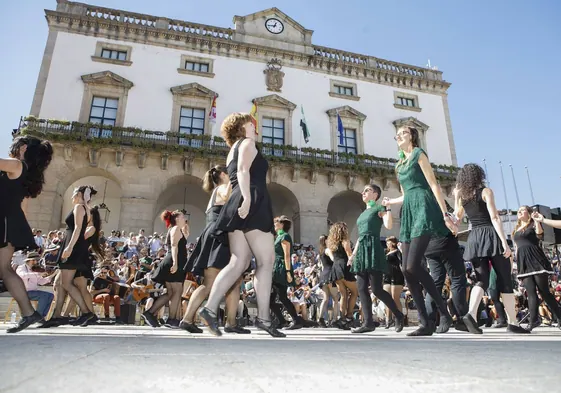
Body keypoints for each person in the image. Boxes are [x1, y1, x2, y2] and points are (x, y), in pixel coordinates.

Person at [198, 113, 284, 338]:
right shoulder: (247, 143)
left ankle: (209, 309)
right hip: (251, 197)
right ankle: (264, 318)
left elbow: (238, 172)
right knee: (266, 261)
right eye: (250, 122)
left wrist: (242, 198)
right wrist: (247, 199)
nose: (255, 125)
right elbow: (244, 171)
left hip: (236, 200)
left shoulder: (232, 149)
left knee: (239, 261)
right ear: (241, 127)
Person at [382, 125, 455, 336]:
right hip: (409, 210)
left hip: (424, 206)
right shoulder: (399, 165)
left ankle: (443, 312)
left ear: (412, 136)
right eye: (397, 133)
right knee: (406, 270)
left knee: (413, 265)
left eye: (404, 132)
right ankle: (425, 322)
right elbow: (405, 193)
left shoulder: (418, 154)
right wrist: (391, 201)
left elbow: (433, 184)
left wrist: (444, 213)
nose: (399, 135)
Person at [454, 164, 527, 334]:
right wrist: (504, 242)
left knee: (481, 279)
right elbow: (494, 217)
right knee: (505, 280)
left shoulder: (462, 197)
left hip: (474, 238)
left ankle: (471, 314)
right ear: (479, 175)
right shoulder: (486, 191)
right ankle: (513, 322)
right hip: (490, 235)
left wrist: (456, 196)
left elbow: (457, 219)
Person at [181, 165, 249, 334]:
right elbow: (228, 196)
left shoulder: (214, 192)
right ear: (224, 174)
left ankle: (192, 319)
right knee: (217, 282)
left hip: (213, 234)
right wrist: (238, 181)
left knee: (228, 282)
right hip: (220, 235)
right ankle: (227, 323)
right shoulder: (222, 188)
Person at [0, 136, 53, 333]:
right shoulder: (27, 171)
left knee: (4, 270)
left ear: (22, 148)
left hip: (4, 220)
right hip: (10, 220)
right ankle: (29, 313)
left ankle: (29, 313)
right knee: (4, 270)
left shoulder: (15, 164)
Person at [348, 184, 404, 333]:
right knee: (361, 288)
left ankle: (398, 315)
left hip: (373, 248)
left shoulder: (379, 209)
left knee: (377, 289)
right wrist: (353, 254)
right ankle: (368, 323)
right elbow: (360, 236)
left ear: (375, 195)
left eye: (367, 190)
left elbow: (389, 225)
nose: (363, 192)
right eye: (363, 190)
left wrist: (388, 208)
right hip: (362, 250)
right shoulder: (362, 214)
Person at [515, 208, 561, 330]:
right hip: (523, 261)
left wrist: (536, 221)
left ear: (528, 213)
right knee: (530, 292)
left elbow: (540, 235)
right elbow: (517, 247)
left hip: (535, 259)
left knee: (544, 292)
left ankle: (559, 317)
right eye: (518, 210)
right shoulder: (516, 229)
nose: (519, 212)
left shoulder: (532, 224)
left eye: (523, 210)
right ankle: (534, 321)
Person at [143, 210, 188, 328]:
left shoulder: (177, 229)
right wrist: (175, 263)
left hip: (175, 262)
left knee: (171, 293)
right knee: (176, 291)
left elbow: (180, 245)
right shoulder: (175, 229)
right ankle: (172, 319)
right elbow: (173, 246)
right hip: (174, 262)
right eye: (183, 217)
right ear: (177, 219)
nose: (185, 219)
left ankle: (151, 313)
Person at [270, 215, 305, 330]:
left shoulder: (284, 236)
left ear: (282, 225)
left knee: (282, 297)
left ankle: (295, 320)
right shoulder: (278, 237)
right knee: (272, 299)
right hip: (277, 267)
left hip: (281, 268)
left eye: (276, 223)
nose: (274, 225)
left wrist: (288, 273)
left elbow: (286, 255)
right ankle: (282, 321)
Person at [325, 222, 358, 330]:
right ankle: (349, 316)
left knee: (343, 294)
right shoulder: (345, 241)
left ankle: (341, 318)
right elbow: (349, 256)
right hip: (345, 267)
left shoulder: (332, 243)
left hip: (336, 268)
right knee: (354, 292)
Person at [16, 251, 56, 318]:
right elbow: (22, 275)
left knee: (51, 296)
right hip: (23, 293)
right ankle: (37, 316)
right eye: (37, 260)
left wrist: (52, 275)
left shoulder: (33, 270)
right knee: (44, 296)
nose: (38, 262)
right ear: (32, 260)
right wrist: (38, 274)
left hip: (32, 292)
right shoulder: (21, 267)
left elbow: (41, 282)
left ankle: (41, 317)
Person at [383, 236, 405, 329]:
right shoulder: (386, 252)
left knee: (395, 298)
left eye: (389, 242)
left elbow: (403, 261)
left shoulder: (398, 252)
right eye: (387, 242)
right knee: (387, 298)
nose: (388, 244)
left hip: (396, 275)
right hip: (387, 276)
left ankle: (399, 319)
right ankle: (388, 319)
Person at [317, 235, 339, 327]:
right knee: (335, 299)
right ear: (325, 241)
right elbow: (333, 260)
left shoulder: (320, 252)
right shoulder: (327, 250)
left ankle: (320, 319)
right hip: (330, 275)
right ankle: (334, 320)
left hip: (323, 275)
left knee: (325, 299)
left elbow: (321, 266)